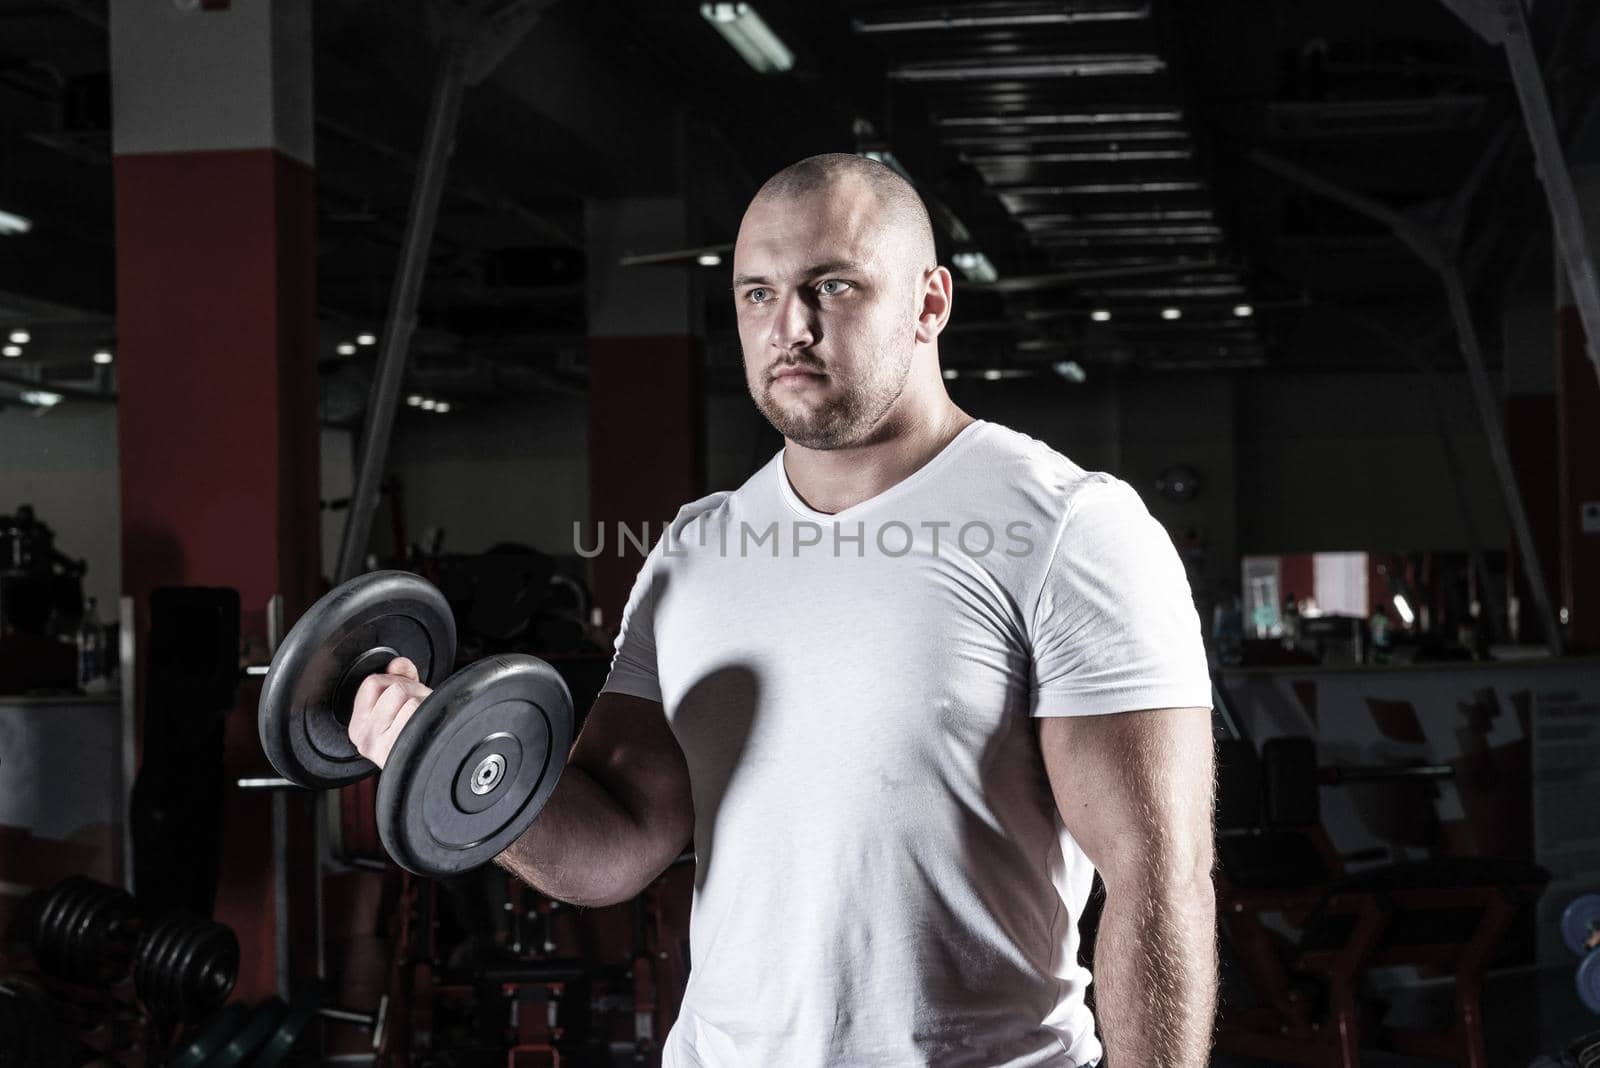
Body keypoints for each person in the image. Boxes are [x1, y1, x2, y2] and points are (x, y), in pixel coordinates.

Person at [349, 153, 1217, 1067]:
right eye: (757, 294)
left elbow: (1159, 881)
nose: (788, 328)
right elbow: (615, 846)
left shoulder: (1068, 527)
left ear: (930, 304)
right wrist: (448, 759)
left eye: (831, 286)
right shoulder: (698, 547)